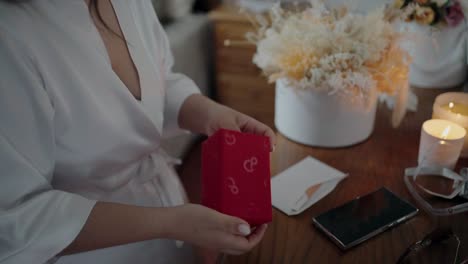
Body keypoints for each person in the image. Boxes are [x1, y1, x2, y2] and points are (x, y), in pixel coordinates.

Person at [0, 0, 276, 263]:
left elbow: (155, 84)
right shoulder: (11, 36)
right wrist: (170, 223)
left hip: (171, 210)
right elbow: (18, 217)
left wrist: (209, 113)